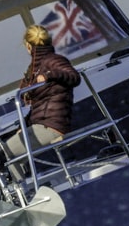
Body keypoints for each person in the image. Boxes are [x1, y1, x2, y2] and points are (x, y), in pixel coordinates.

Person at [5, 25, 81, 160]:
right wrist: (24, 125)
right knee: (11, 157)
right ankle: (16, 181)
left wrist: (49, 75)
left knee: (5, 153)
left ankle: (14, 181)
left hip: (51, 125)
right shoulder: (35, 69)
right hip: (42, 124)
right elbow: (38, 105)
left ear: (28, 46)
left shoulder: (53, 60)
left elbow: (74, 77)